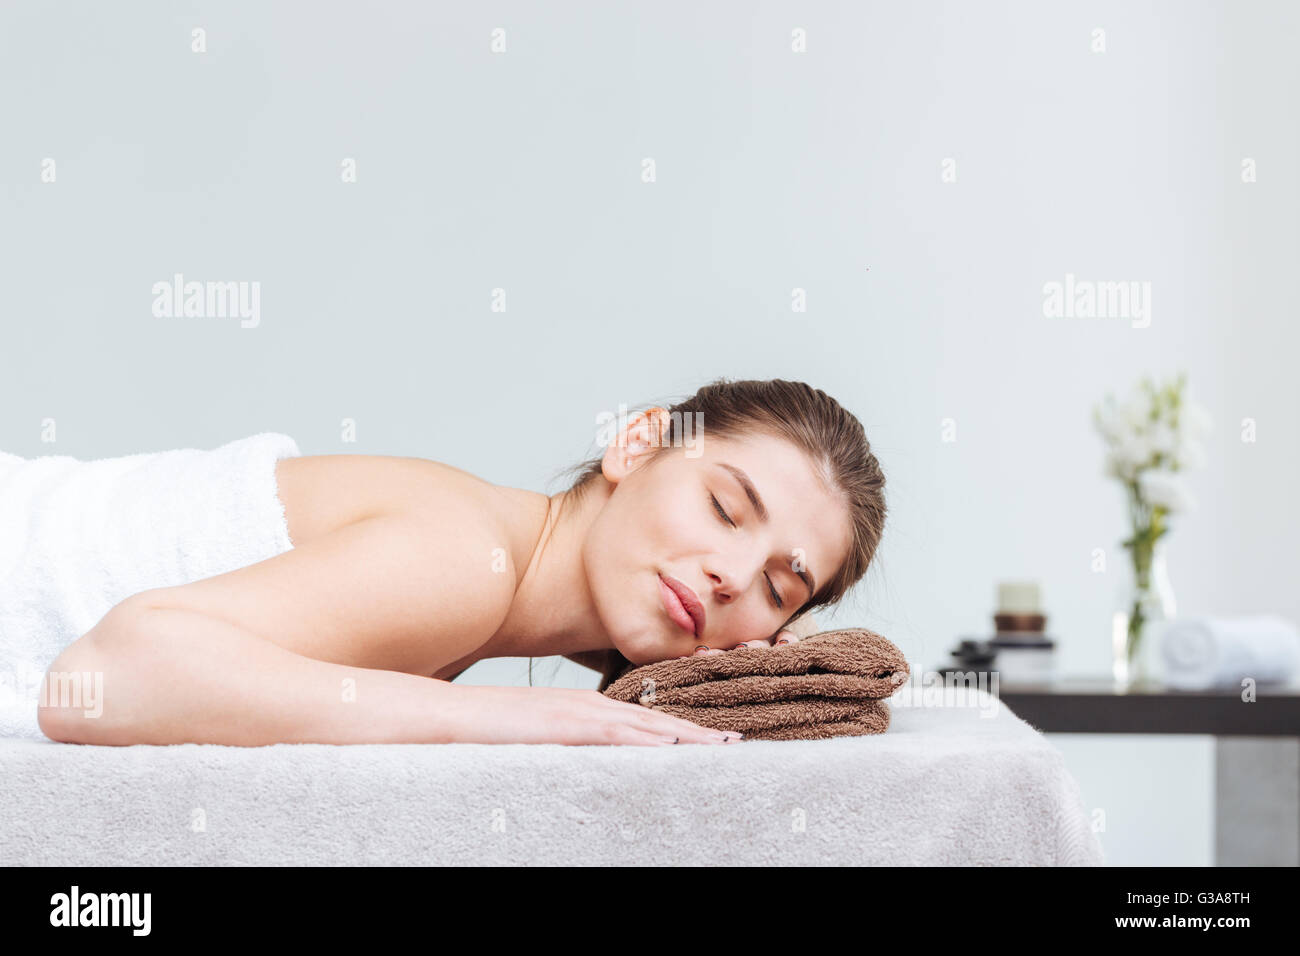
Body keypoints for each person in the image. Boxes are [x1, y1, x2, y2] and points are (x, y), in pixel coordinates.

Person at [38, 378, 886, 747]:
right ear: (637, 444)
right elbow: (102, 678)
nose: (732, 575)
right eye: (724, 507)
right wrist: (538, 721)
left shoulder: (495, 593)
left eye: (779, 588)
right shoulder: (467, 560)